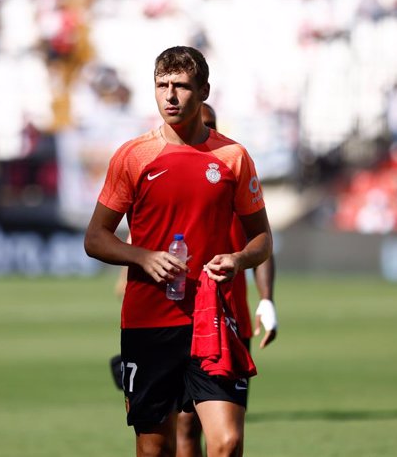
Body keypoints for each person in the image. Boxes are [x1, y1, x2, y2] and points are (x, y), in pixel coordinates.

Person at [84, 46, 273, 457]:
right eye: (161, 85)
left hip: (212, 318)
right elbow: (95, 238)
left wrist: (238, 259)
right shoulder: (133, 157)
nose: (170, 96)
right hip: (150, 320)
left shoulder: (232, 157)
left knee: (227, 442)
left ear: (203, 91)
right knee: (156, 448)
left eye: (181, 86)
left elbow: (262, 239)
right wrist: (142, 256)